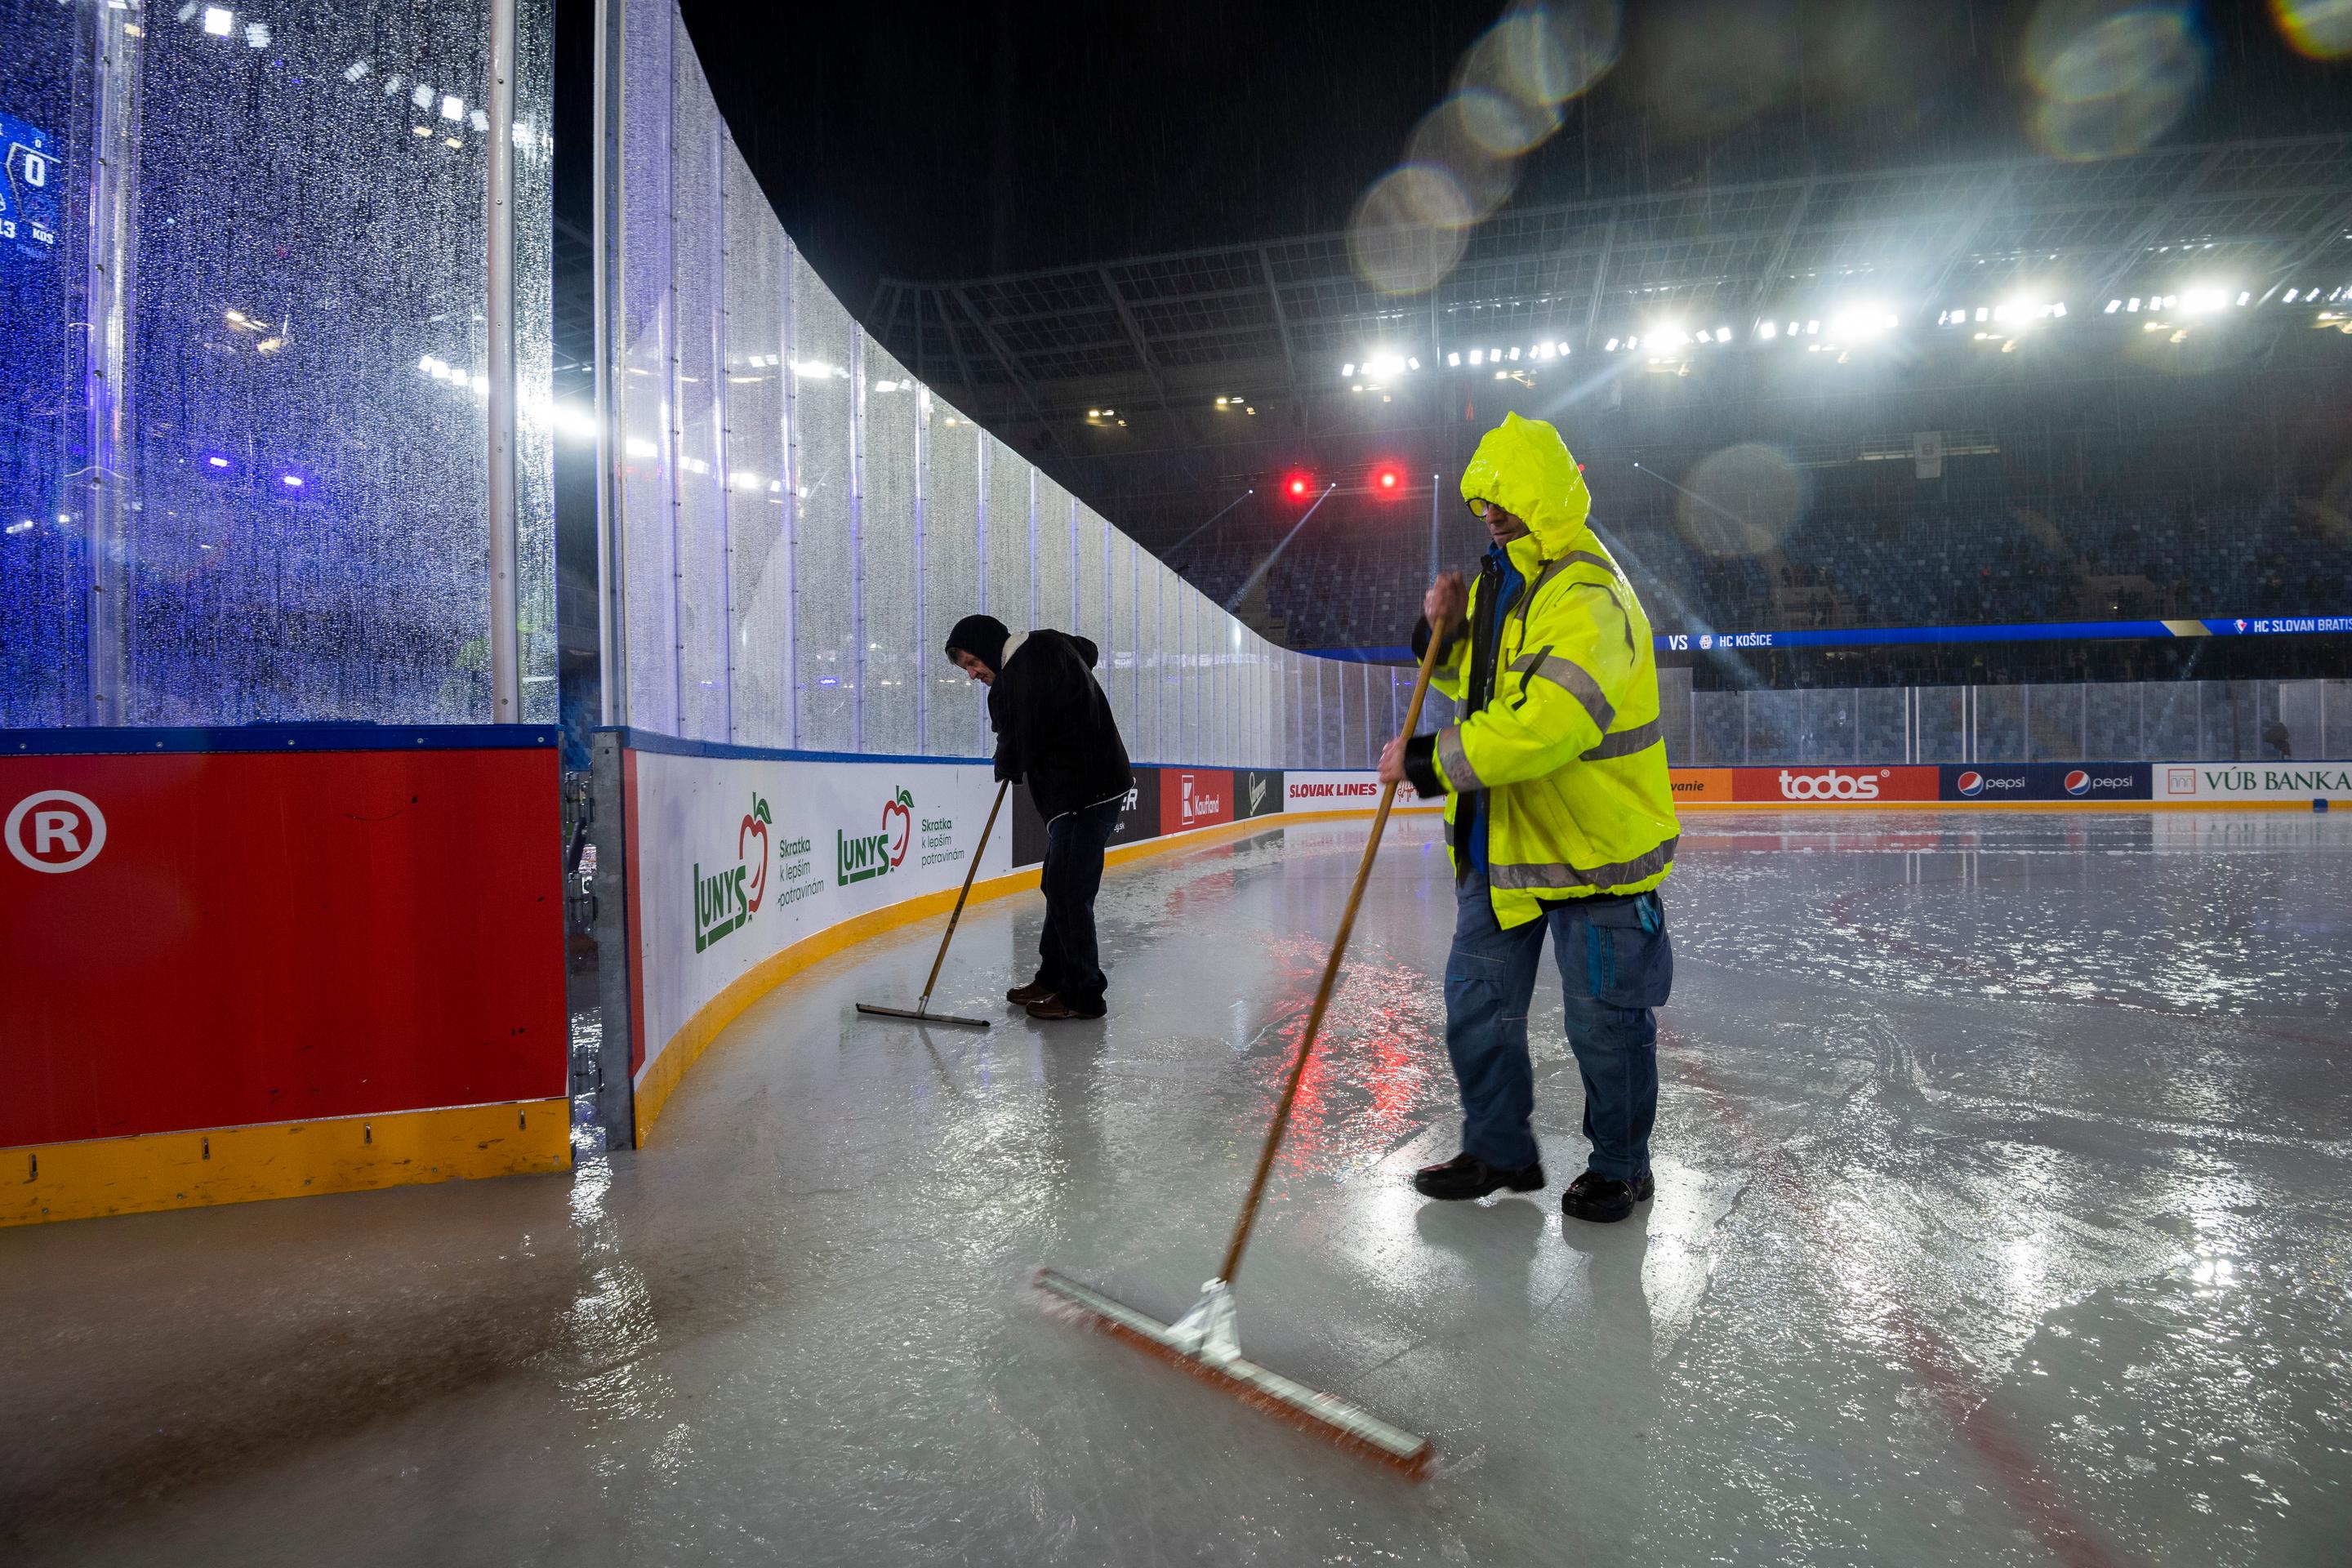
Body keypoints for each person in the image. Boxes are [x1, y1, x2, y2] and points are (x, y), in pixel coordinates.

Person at [1376, 413, 1682, 1224]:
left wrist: (1425, 762)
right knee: (1477, 1009)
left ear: (1547, 492)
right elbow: (1484, 687)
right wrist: (1436, 632)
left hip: (1594, 857)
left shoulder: (1586, 593)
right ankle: (1498, 1149)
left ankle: (1620, 1166)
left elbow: (1550, 720)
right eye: (1480, 502)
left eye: (1505, 497)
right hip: (1504, 849)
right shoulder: (1509, 587)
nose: (1490, 513)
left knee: (1605, 1027)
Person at [944, 613, 1133, 1021]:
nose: (974, 675)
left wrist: (1007, 764)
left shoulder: (1020, 677)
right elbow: (1089, 650)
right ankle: (1053, 975)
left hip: (1085, 793)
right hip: (1094, 785)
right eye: (967, 670)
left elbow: (1018, 736)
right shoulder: (1049, 643)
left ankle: (1084, 995)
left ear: (990, 645)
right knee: (1058, 884)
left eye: (973, 664)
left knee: (1068, 891)